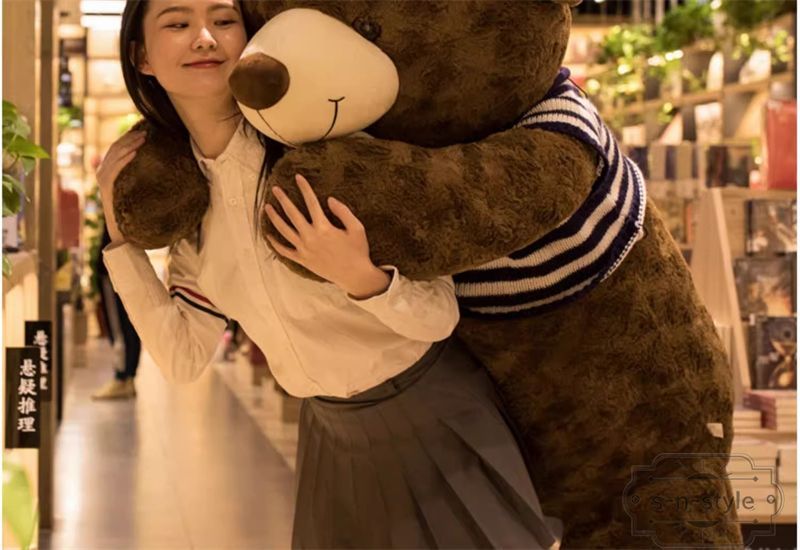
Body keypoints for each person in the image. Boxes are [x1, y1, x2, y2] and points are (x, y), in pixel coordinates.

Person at [99, 1, 560, 547]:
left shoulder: (327, 153)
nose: (205, 38)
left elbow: (439, 317)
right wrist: (119, 236)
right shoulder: (192, 215)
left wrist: (361, 277)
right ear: (142, 57)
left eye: (223, 21)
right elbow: (182, 358)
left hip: (432, 413)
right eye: (177, 24)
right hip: (329, 435)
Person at [91, 221, 142, 400]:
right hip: (125, 262)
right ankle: (127, 377)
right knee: (128, 323)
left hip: (114, 266)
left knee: (119, 325)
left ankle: (122, 377)